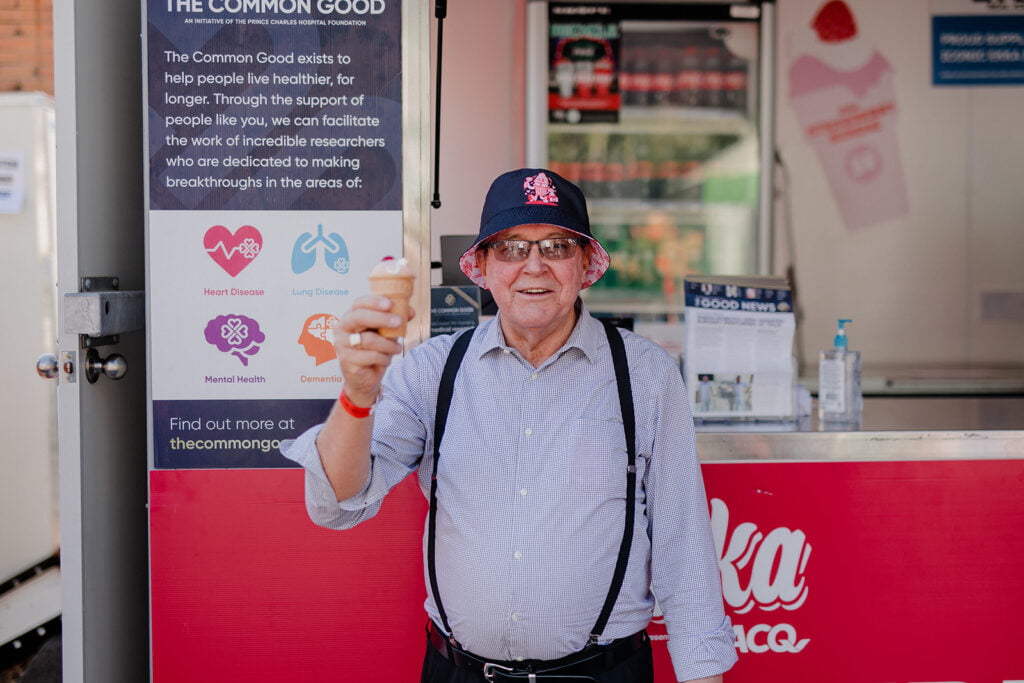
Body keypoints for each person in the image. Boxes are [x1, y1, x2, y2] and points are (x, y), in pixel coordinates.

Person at [283, 169, 736, 682]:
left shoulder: (646, 374)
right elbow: (339, 502)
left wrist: (703, 673)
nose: (534, 266)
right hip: (462, 672)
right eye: (512, 248)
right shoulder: (434, 370)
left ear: (586, 264)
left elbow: (684, 542)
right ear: (482, 266)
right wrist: (357, 396)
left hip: (603, 672)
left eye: (558, 246)